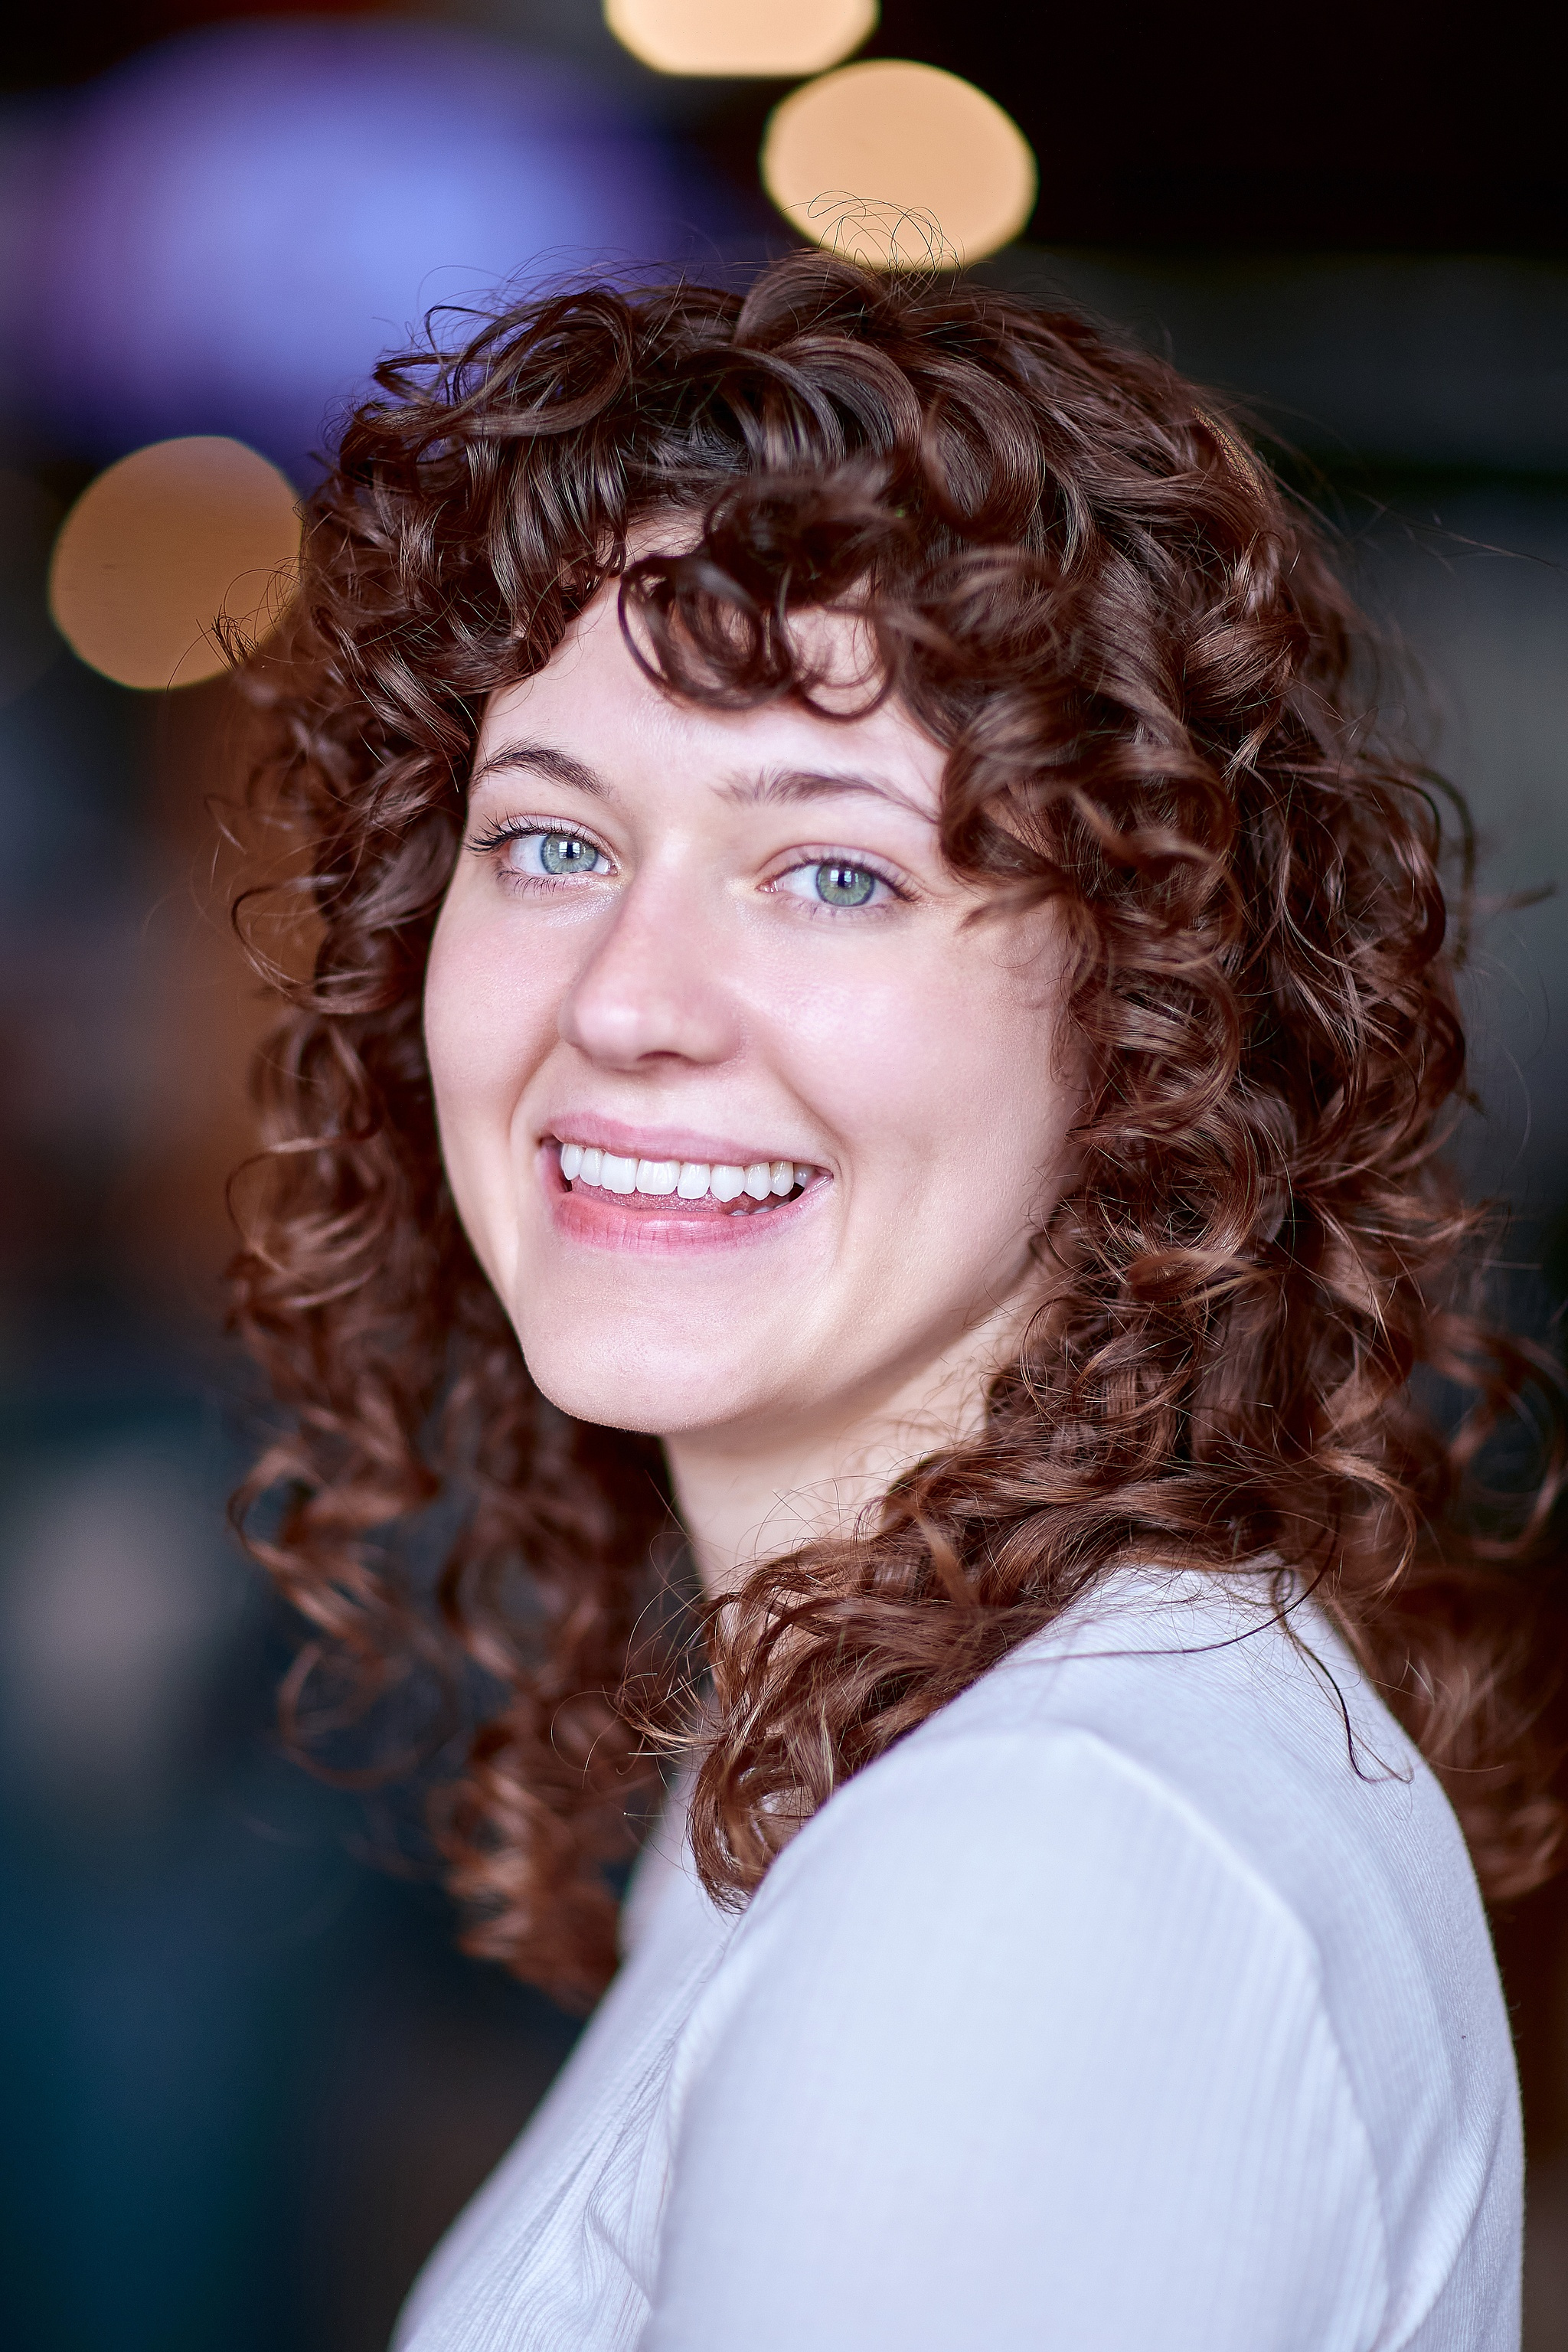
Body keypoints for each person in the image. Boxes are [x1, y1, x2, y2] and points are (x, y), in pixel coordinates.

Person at [230, 256, 1563, 2350]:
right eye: (552, 842)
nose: (628, 1004)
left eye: (835, 872)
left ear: (1148, 1011)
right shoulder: (878, 1750)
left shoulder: (1047, 1869)